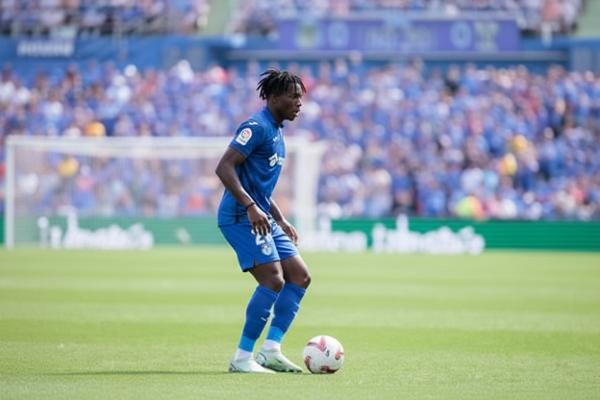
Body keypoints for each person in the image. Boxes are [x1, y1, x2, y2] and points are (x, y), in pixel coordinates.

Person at [215, 69, 311, 373]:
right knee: (273, 279)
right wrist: (250, 207)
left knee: (299, 276)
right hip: (239, 215)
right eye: (293, 96)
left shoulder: (277, 131)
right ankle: (242, 358)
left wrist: (280, 218)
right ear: (273, 98)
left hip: (261, 215)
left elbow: (259, 187)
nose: (299, 103)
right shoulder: (256, 127)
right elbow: (224, 167)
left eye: (301, 97)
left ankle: (270, 350)